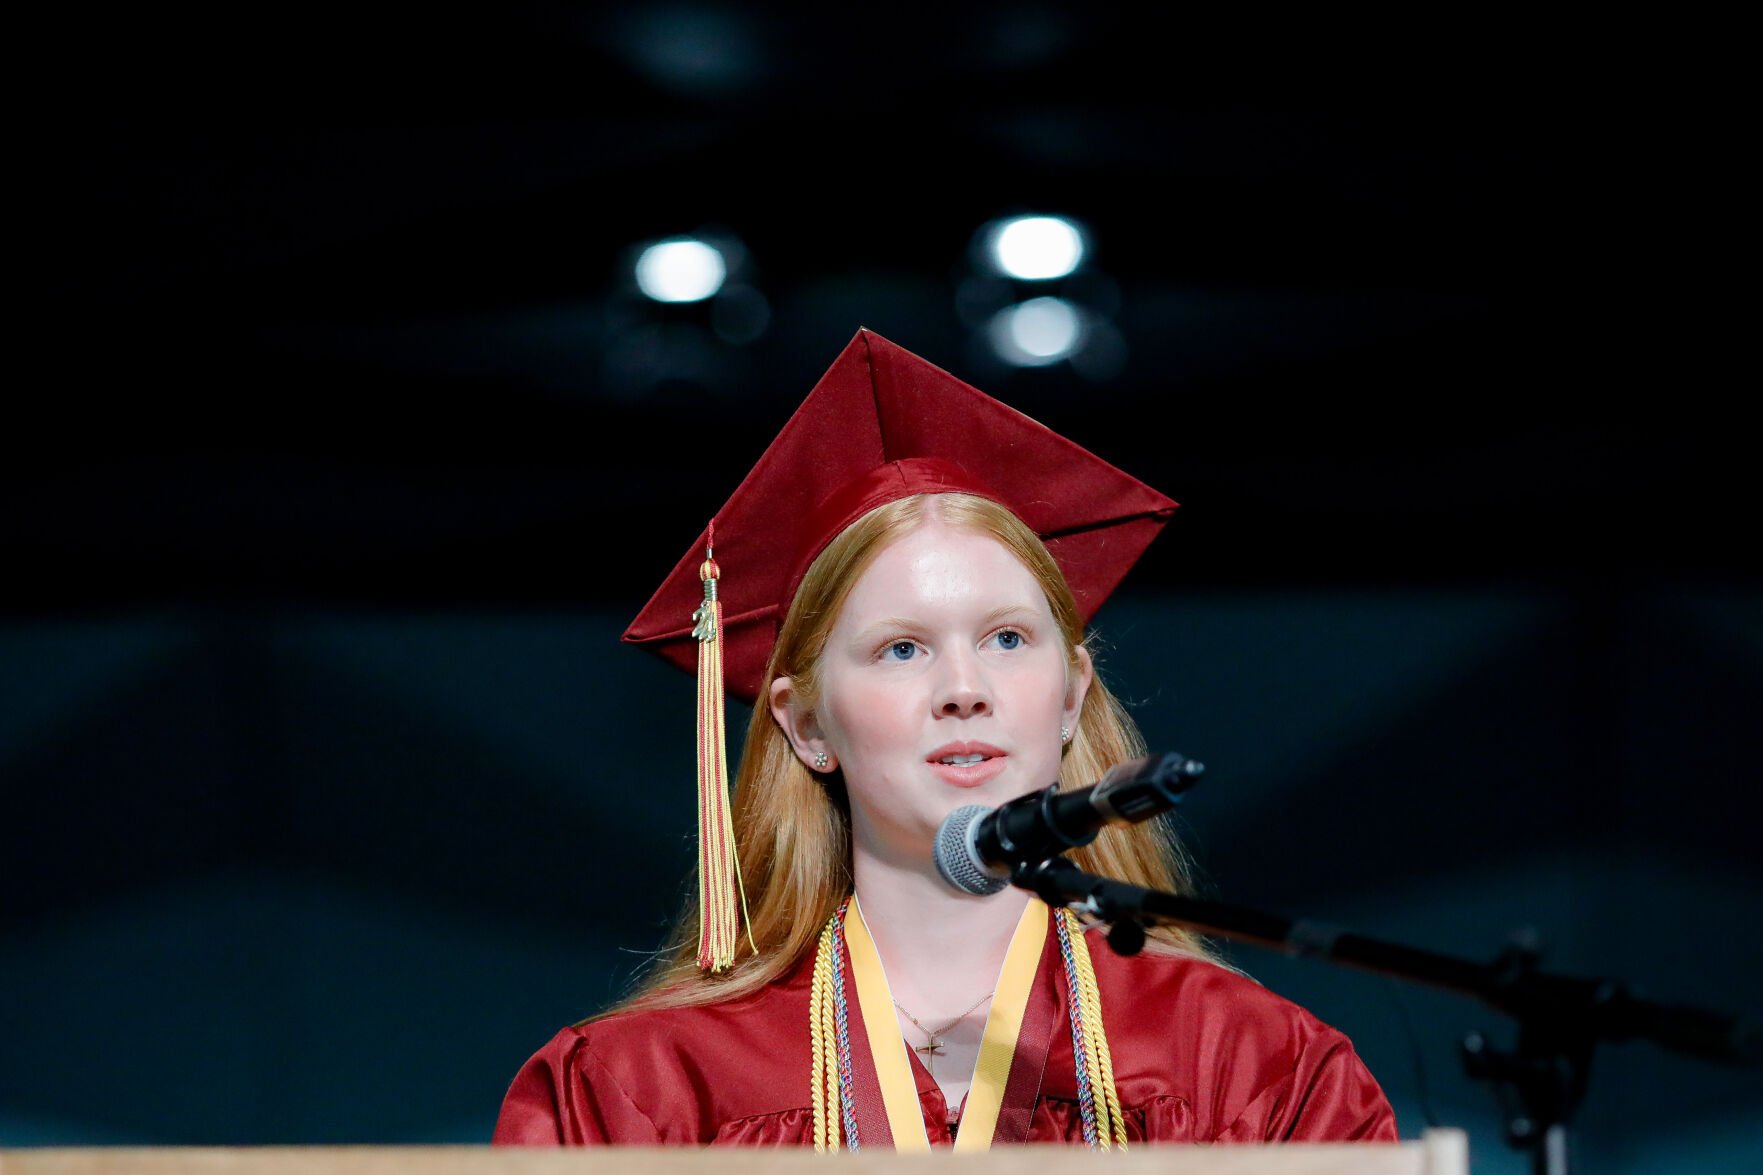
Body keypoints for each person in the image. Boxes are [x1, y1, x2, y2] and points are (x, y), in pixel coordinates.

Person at [494, 329, 1397, 1149]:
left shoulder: (1251, 1065)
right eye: (900, 648)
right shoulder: (642, 1092)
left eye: (1007, 638)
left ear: (1071, 692)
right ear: (807, 726)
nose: (964, 689)